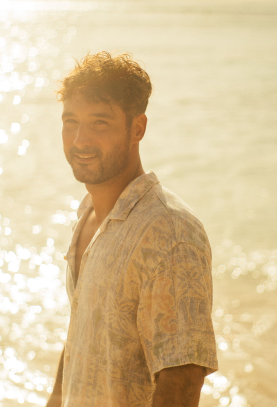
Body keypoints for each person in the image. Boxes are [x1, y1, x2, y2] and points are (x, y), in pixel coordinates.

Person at [46, 52, 218, 407]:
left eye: (100, 123)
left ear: (137, 128)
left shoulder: (169, 233)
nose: (80, 140)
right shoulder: (89, 216)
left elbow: (182, 379)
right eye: (70, 121)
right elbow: (83, 336)